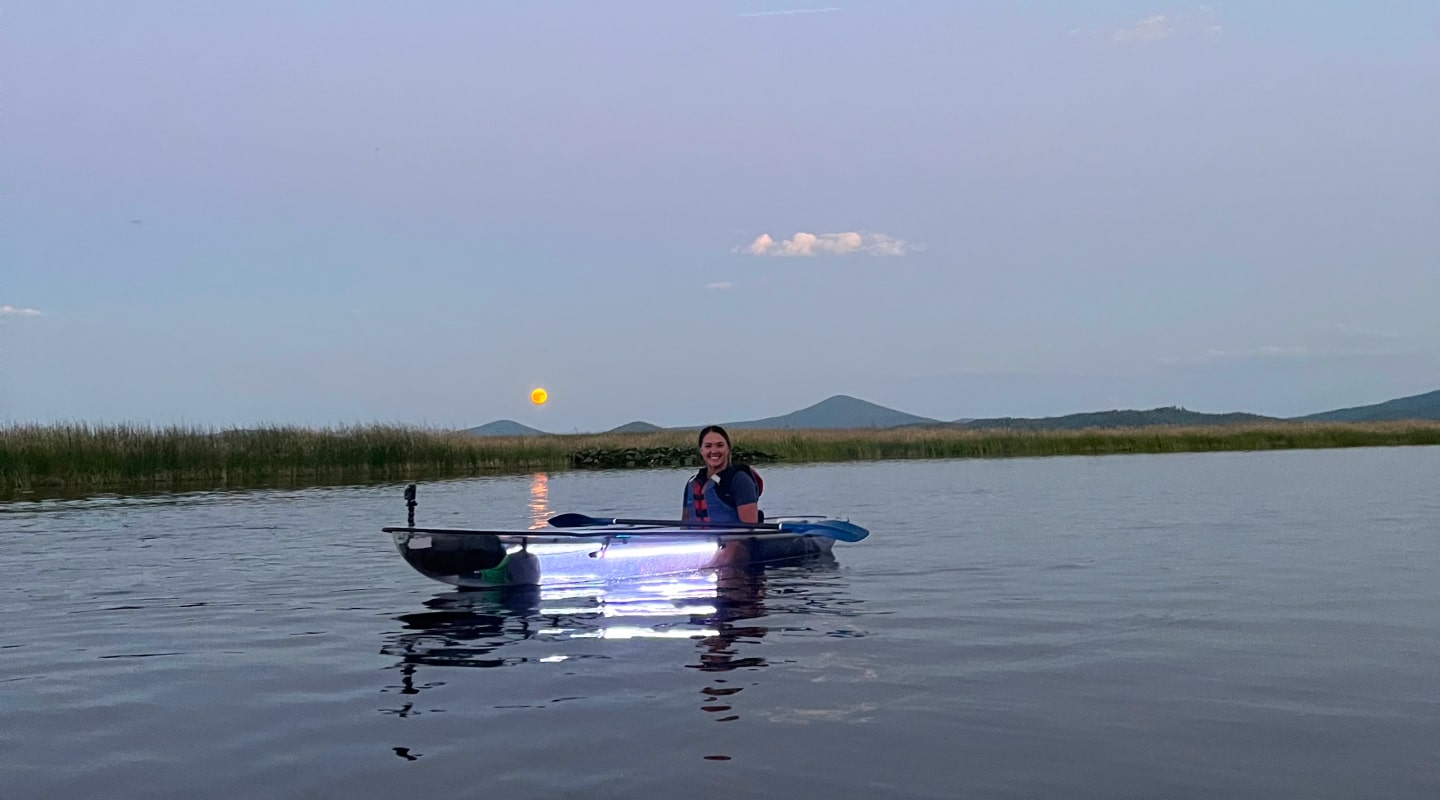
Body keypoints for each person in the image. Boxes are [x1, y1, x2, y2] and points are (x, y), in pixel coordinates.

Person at [681, 425, 763, 525]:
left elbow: (750, 530)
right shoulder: (692, 483)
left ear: (728, 449)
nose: (714, 451)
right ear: (701, 451)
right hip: (697, 540)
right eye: (708, 446)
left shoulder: (740, 480)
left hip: (731, 539)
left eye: (720, 445)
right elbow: (684, 526)